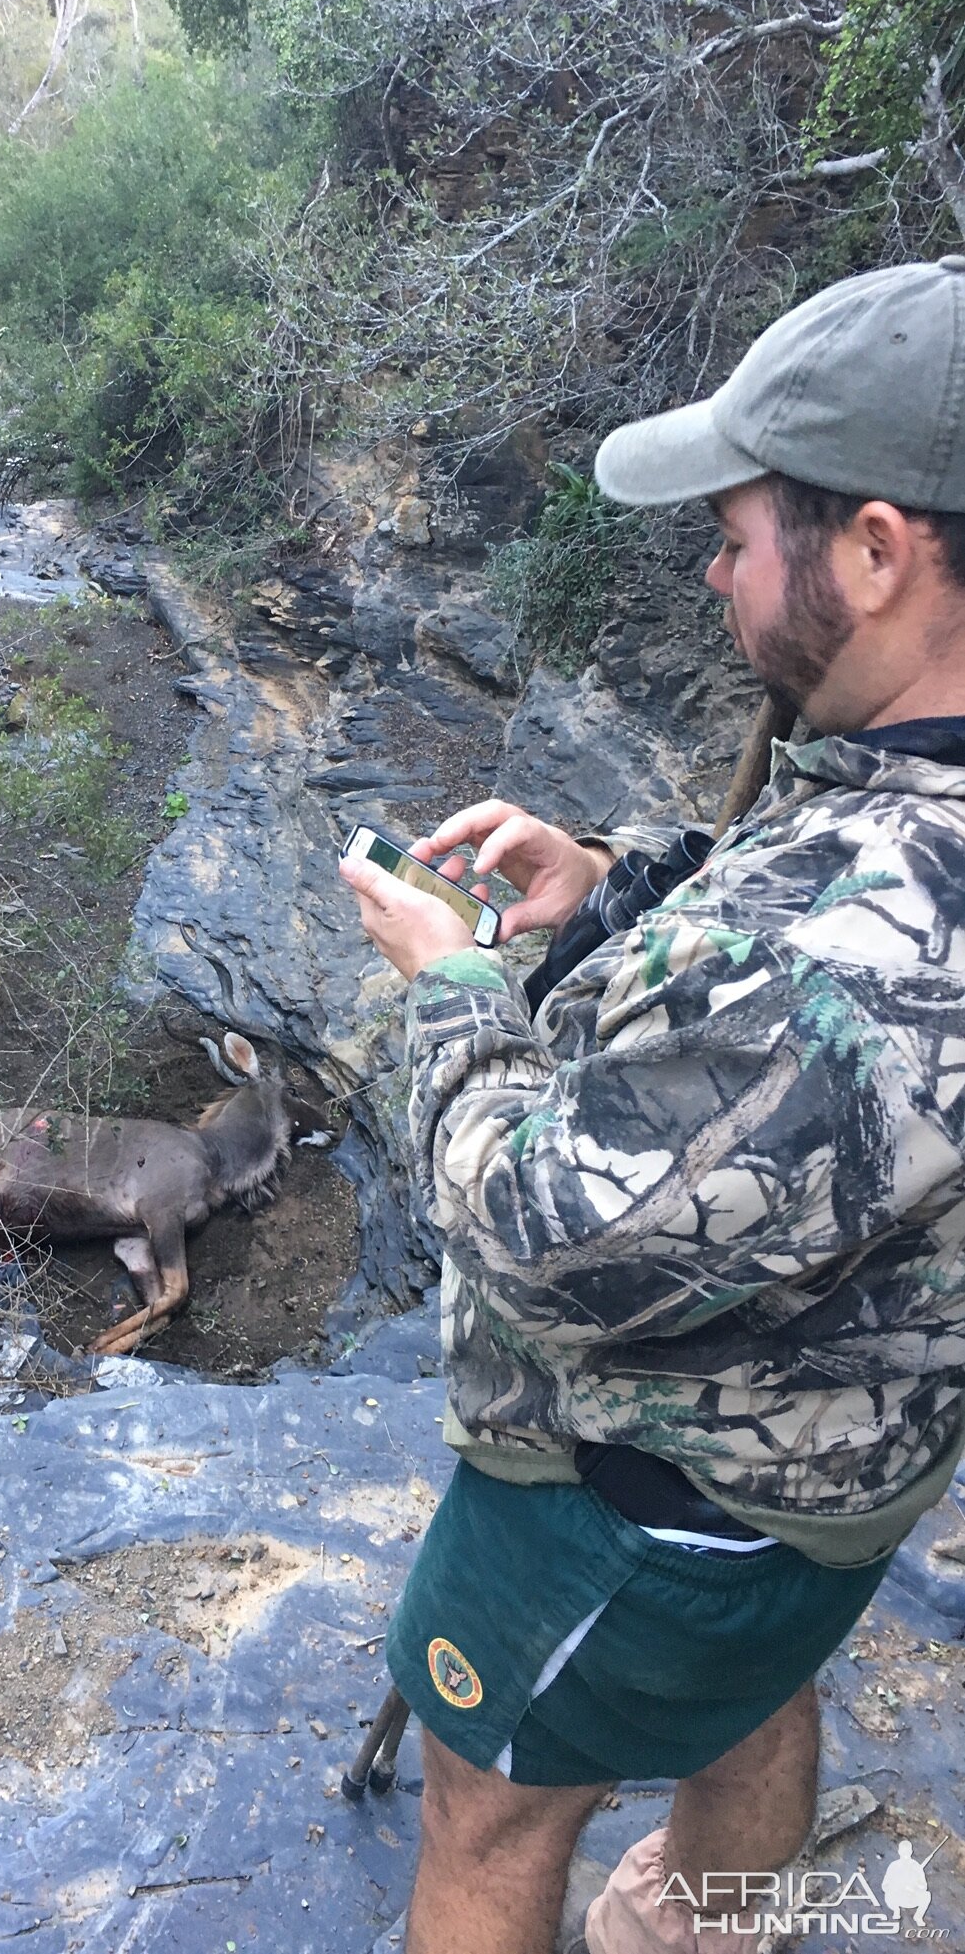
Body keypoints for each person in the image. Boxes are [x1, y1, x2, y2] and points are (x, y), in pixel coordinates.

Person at [339, 257, 965, 1954]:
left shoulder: (849, 945)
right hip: (833, 1466)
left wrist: (454, 987)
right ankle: (703, 1924)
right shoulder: (912, 788)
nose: (712, 566)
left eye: (743, 529)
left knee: (483, 1813)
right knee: (746, 1698)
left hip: (648, 1490)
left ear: (876, 549)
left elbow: (547, 1238)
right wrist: (615, 883)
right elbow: (815, 909)